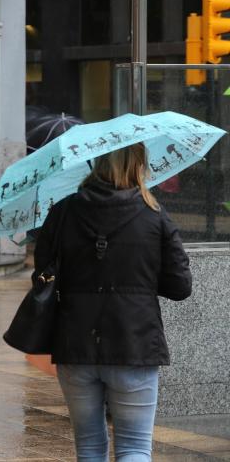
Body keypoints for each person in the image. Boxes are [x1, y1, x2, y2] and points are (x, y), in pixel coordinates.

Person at [34, 143, 191, 461]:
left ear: (96, 163)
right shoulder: (154, 215)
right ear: (138, 166)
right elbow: (180, 286)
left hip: (76, 344)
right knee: (134, 446)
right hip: (134, 343)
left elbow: (42, 274)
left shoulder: (63, 211)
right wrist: (141, 281)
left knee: (89, 446)